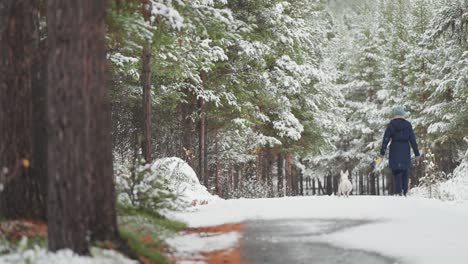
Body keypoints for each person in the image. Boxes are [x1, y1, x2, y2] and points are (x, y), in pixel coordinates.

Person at [376, 106, 420, 196]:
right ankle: (405, 192)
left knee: (397, 171)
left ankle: (398, 191)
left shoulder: (391, 125)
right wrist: (417, 153)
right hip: (405, 149)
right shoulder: (408, 125)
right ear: (403, 115)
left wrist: (382, 152)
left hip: (395, 149)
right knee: (404, 170)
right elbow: (412, 140)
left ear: (395, 115)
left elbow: (386, 139)